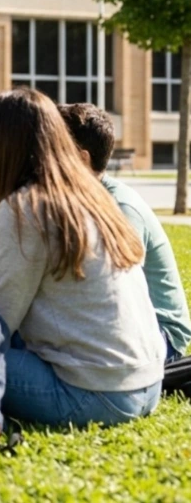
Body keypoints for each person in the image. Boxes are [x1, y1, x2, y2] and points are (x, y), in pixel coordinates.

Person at [0, 88, 164, 427]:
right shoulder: (91, 195)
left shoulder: (24, 208)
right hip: (147, 384)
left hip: (93, 394)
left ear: (7, 144)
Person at [58, 103, 191, 363]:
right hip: (124, 326)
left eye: (54, 148)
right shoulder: (80, 198)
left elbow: (111, 293)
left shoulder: (119, 208)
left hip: (160, 334)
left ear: (81, 158)